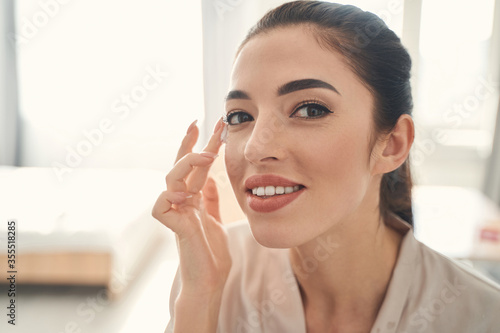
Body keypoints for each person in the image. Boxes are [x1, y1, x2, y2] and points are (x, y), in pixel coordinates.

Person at [152, 1, 500, 332]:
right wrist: (201, 299)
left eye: (309, 110)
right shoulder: (208, 272)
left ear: (392, 145)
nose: (255, 148)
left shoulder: (481, 316)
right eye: (240, 116)